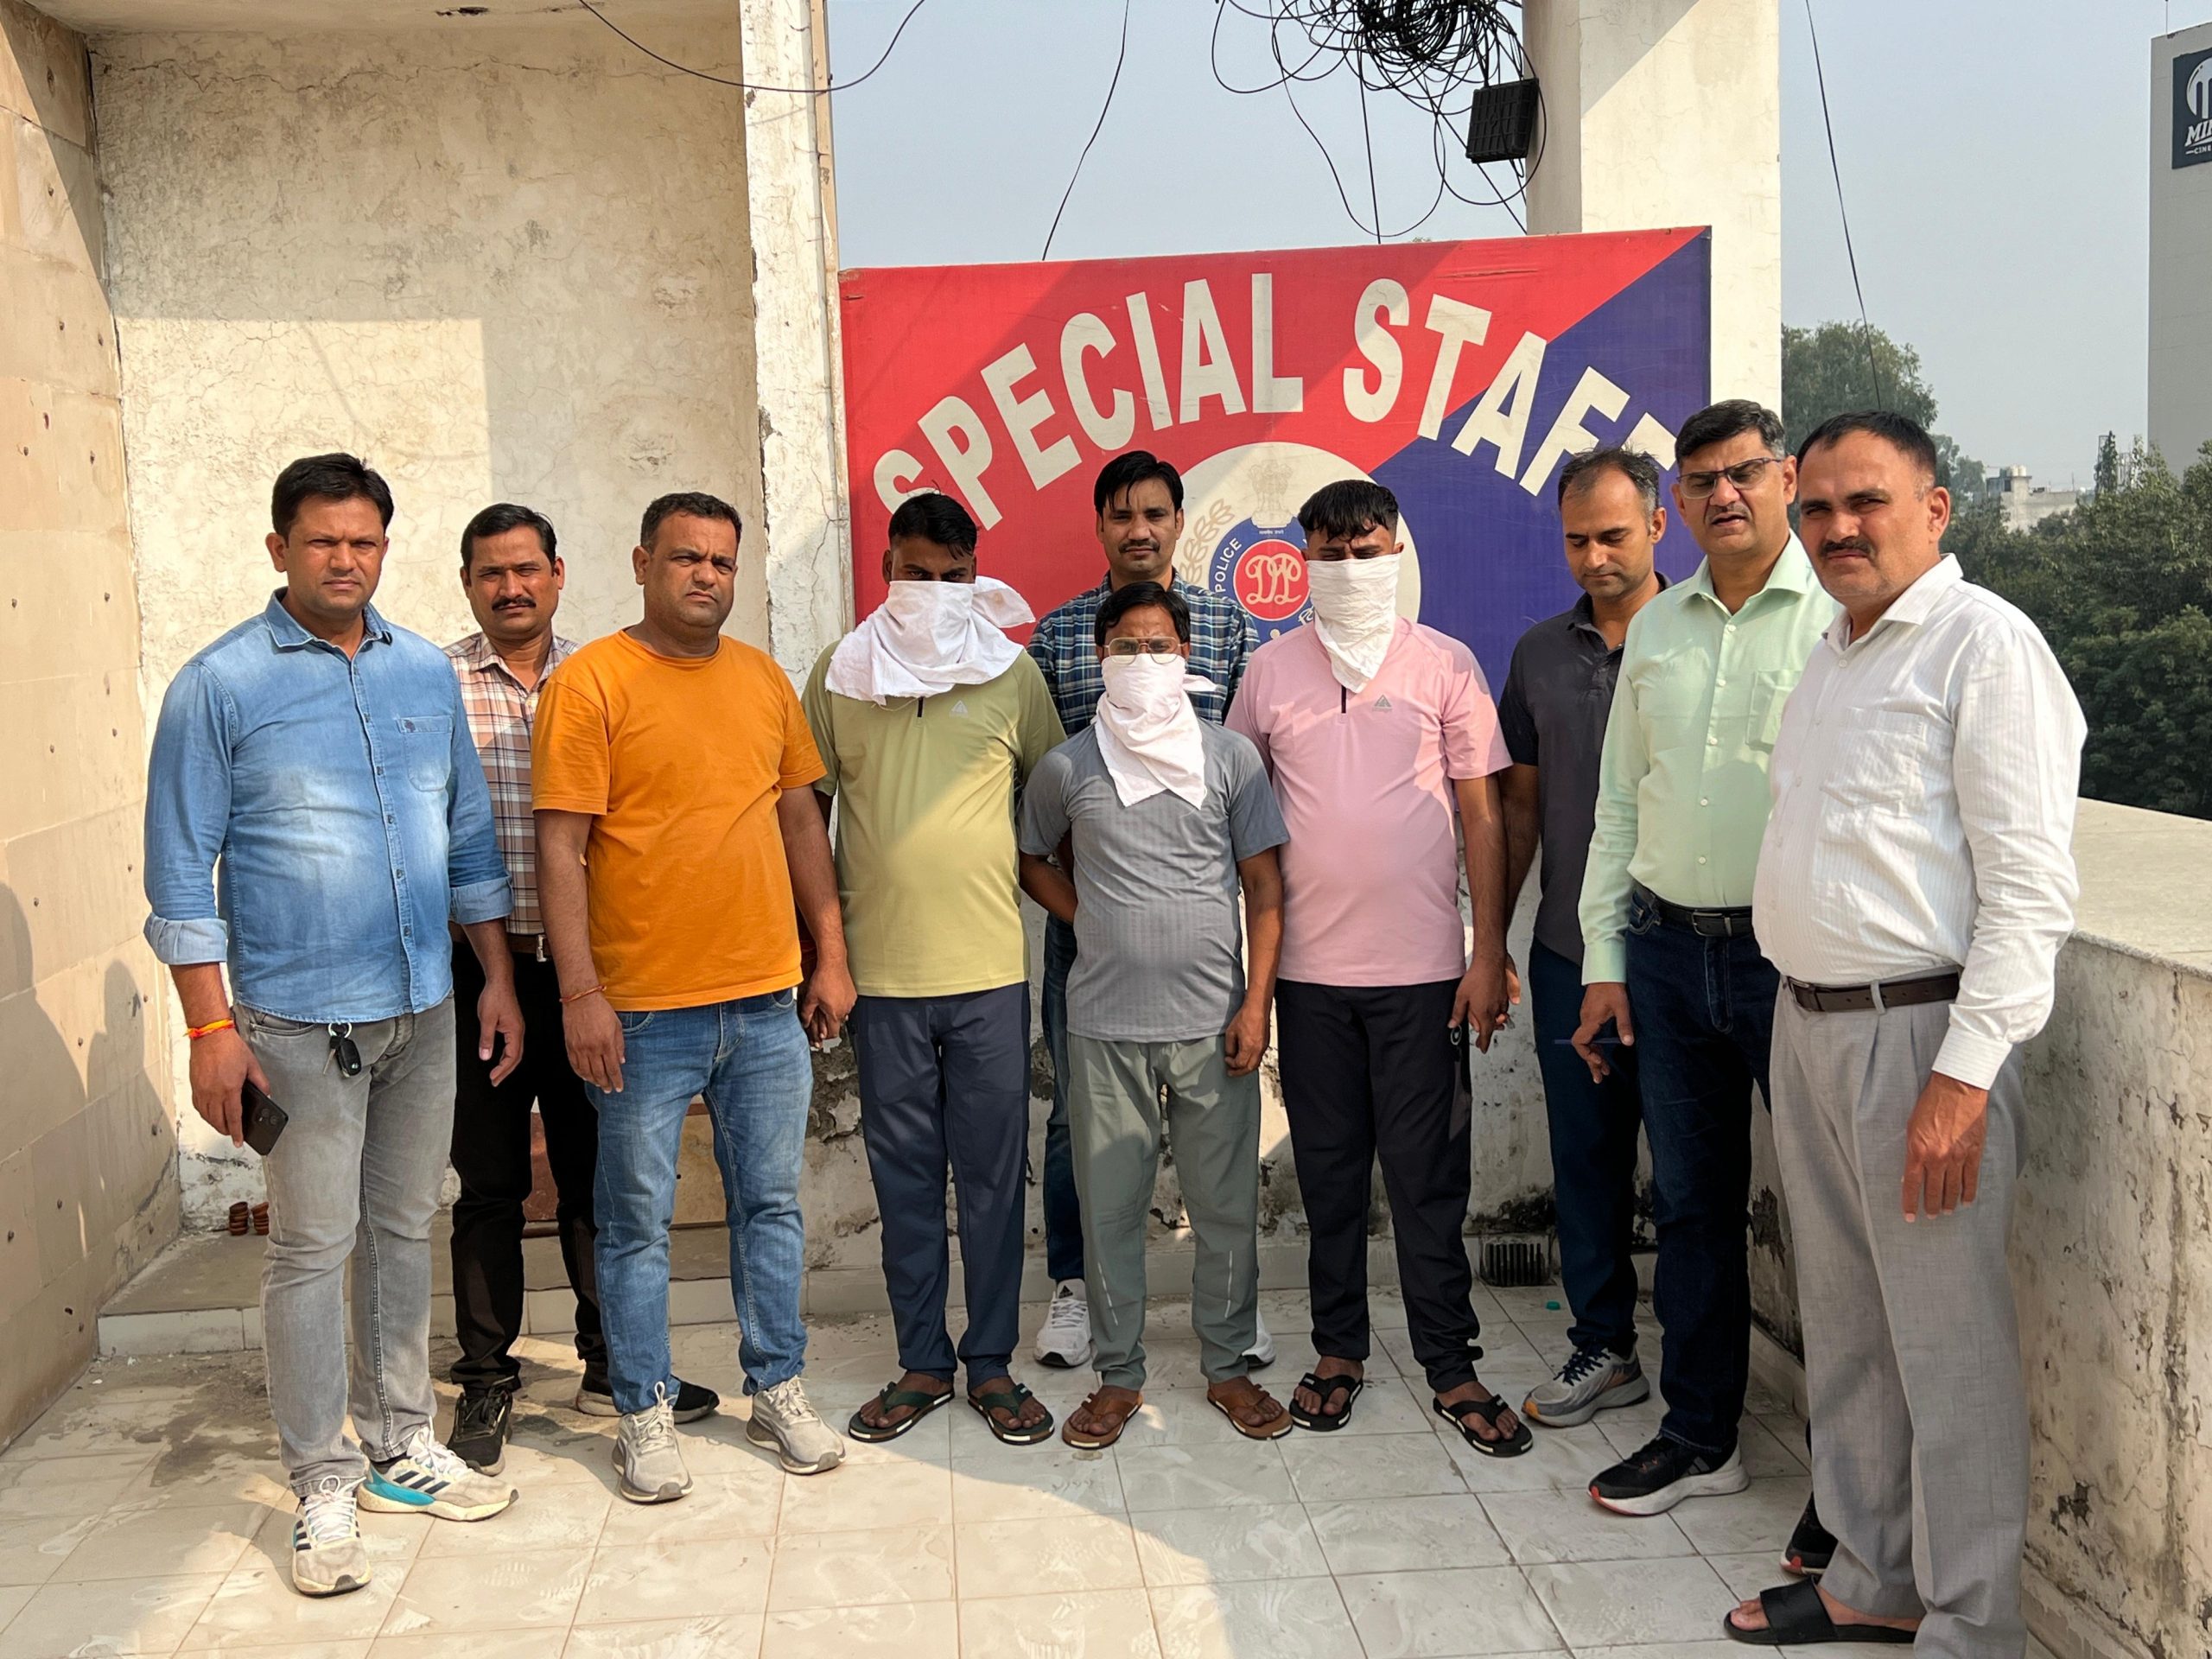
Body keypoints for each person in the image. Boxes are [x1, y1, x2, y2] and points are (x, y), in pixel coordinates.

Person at [1726, 412, 2082, 1657]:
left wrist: (1962, 1077)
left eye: (1865, 502)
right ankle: (1871, 1576)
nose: (1838, 529)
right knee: (1850, 1332)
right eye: (1817, 508)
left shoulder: (1985, 647)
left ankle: (1974, 1624)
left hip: (1920, 1037)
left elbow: (2029, 888)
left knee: (1948, 1349)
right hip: (1810, 1025)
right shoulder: (1834, 655)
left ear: (1935, 509)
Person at [143, 454, 521, 1599]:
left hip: (424, 1006)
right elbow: (181, 875)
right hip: (297, 1022)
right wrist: (210, 1032)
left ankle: (401, 1441)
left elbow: (466, 839)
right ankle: (319, 1479)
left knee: (404, 1226)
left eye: (364, 542)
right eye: (323, 541)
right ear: (279, 550)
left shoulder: (421, 672)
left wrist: (495, 978)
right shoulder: (219, 685)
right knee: (312, 1248)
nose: (345, 561)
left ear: (385, 549)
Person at [532, 491, 855, 1503]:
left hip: (763, 1004)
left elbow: (801, 823)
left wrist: (829, 954)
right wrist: (579, 993)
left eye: (721, 561)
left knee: (770, 1207)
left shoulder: (761, 681)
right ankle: (642, 1408)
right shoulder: (591, 683)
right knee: (635, 1221)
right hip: (640, 1012)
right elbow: (560, 848)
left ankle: (778, 1387)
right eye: (685, 558)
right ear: (642, 564)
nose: (705, 576)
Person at [1571, 399, 1835, 1515]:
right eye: (1701, 481)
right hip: (1669, 956)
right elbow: (1620, 806)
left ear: (1784, 479)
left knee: (1831, 1223)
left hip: (1800, 964)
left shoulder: (1838, 618)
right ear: (1676, 504)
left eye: (1744, 472)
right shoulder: (1659, 630)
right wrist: (1604, 959)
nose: (1724, 494)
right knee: (1689, 1206)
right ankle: (1699, 1435)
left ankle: (1849, 1487)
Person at [1227, 480, 1528, 1455]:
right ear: (1304, 562)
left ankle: (1450, 1363)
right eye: (1331, 553)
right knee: (1329, 1177)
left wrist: (1488, 951)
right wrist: (1254, 975)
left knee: (1428, 1178)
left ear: (1396, 551)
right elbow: (1246, 822)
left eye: (1366, 551)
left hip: (1426, 975)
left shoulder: (1445, 663)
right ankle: (1338, 1352)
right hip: (1310, 977)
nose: (1350, 568)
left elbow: (1482, 814)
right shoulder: (1269, 671)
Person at [442, 502, 718, 1475]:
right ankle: (486, 1378)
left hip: (595, 972)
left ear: (558, 574)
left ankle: (614, 1363)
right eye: (491, 573)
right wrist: (491, 972)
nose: (511, 588)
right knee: (490, 1182)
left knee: (600, 1174)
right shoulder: (437, 685)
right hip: (479, 970)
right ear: (468, 584)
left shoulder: (605, 675)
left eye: (527, 569)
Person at [802, 492, 1065, 1447]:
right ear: (886, 569)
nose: (937, 592)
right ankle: (922, 1362)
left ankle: (990, 1363)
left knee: (994, 1180)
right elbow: (806, 816)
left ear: (976, 574)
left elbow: (1056, 802)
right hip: (879, 980)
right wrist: (823, 957)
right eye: (918, 575)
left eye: (956, 579)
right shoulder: (839, 673)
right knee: (904, 1181)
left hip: (989, 970)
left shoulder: (1010, 673)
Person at [1018, 582, 1291, 1448]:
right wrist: (1090, 919)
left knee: (1223, 1208)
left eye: (1159, 646)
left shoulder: (1230, 758)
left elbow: (1265, 887)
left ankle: (1227, 1366)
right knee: (1109, 1214)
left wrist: (1257, 1005)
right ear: (1100, 658)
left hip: (1214, 1023)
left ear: (1186, 657)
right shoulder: (1068, 767)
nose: (1144, 661)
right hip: (1103, 1026)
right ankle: (1118, 1377)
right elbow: (1030, 858)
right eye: (1127, 647)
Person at [1498, 447, 1667, 1428]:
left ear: (1658, 526)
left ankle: (1700, 1366)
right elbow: (1519, 808)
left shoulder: (1700, 638)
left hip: (1686, 953)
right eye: (1576, 540)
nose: (1595, 557)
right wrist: (1491, 941)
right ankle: (1603, 1346)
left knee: (1691, 1172)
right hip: (1568, 951)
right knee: (1587, 1161)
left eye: (1613, 536)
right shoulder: (1537, 656)